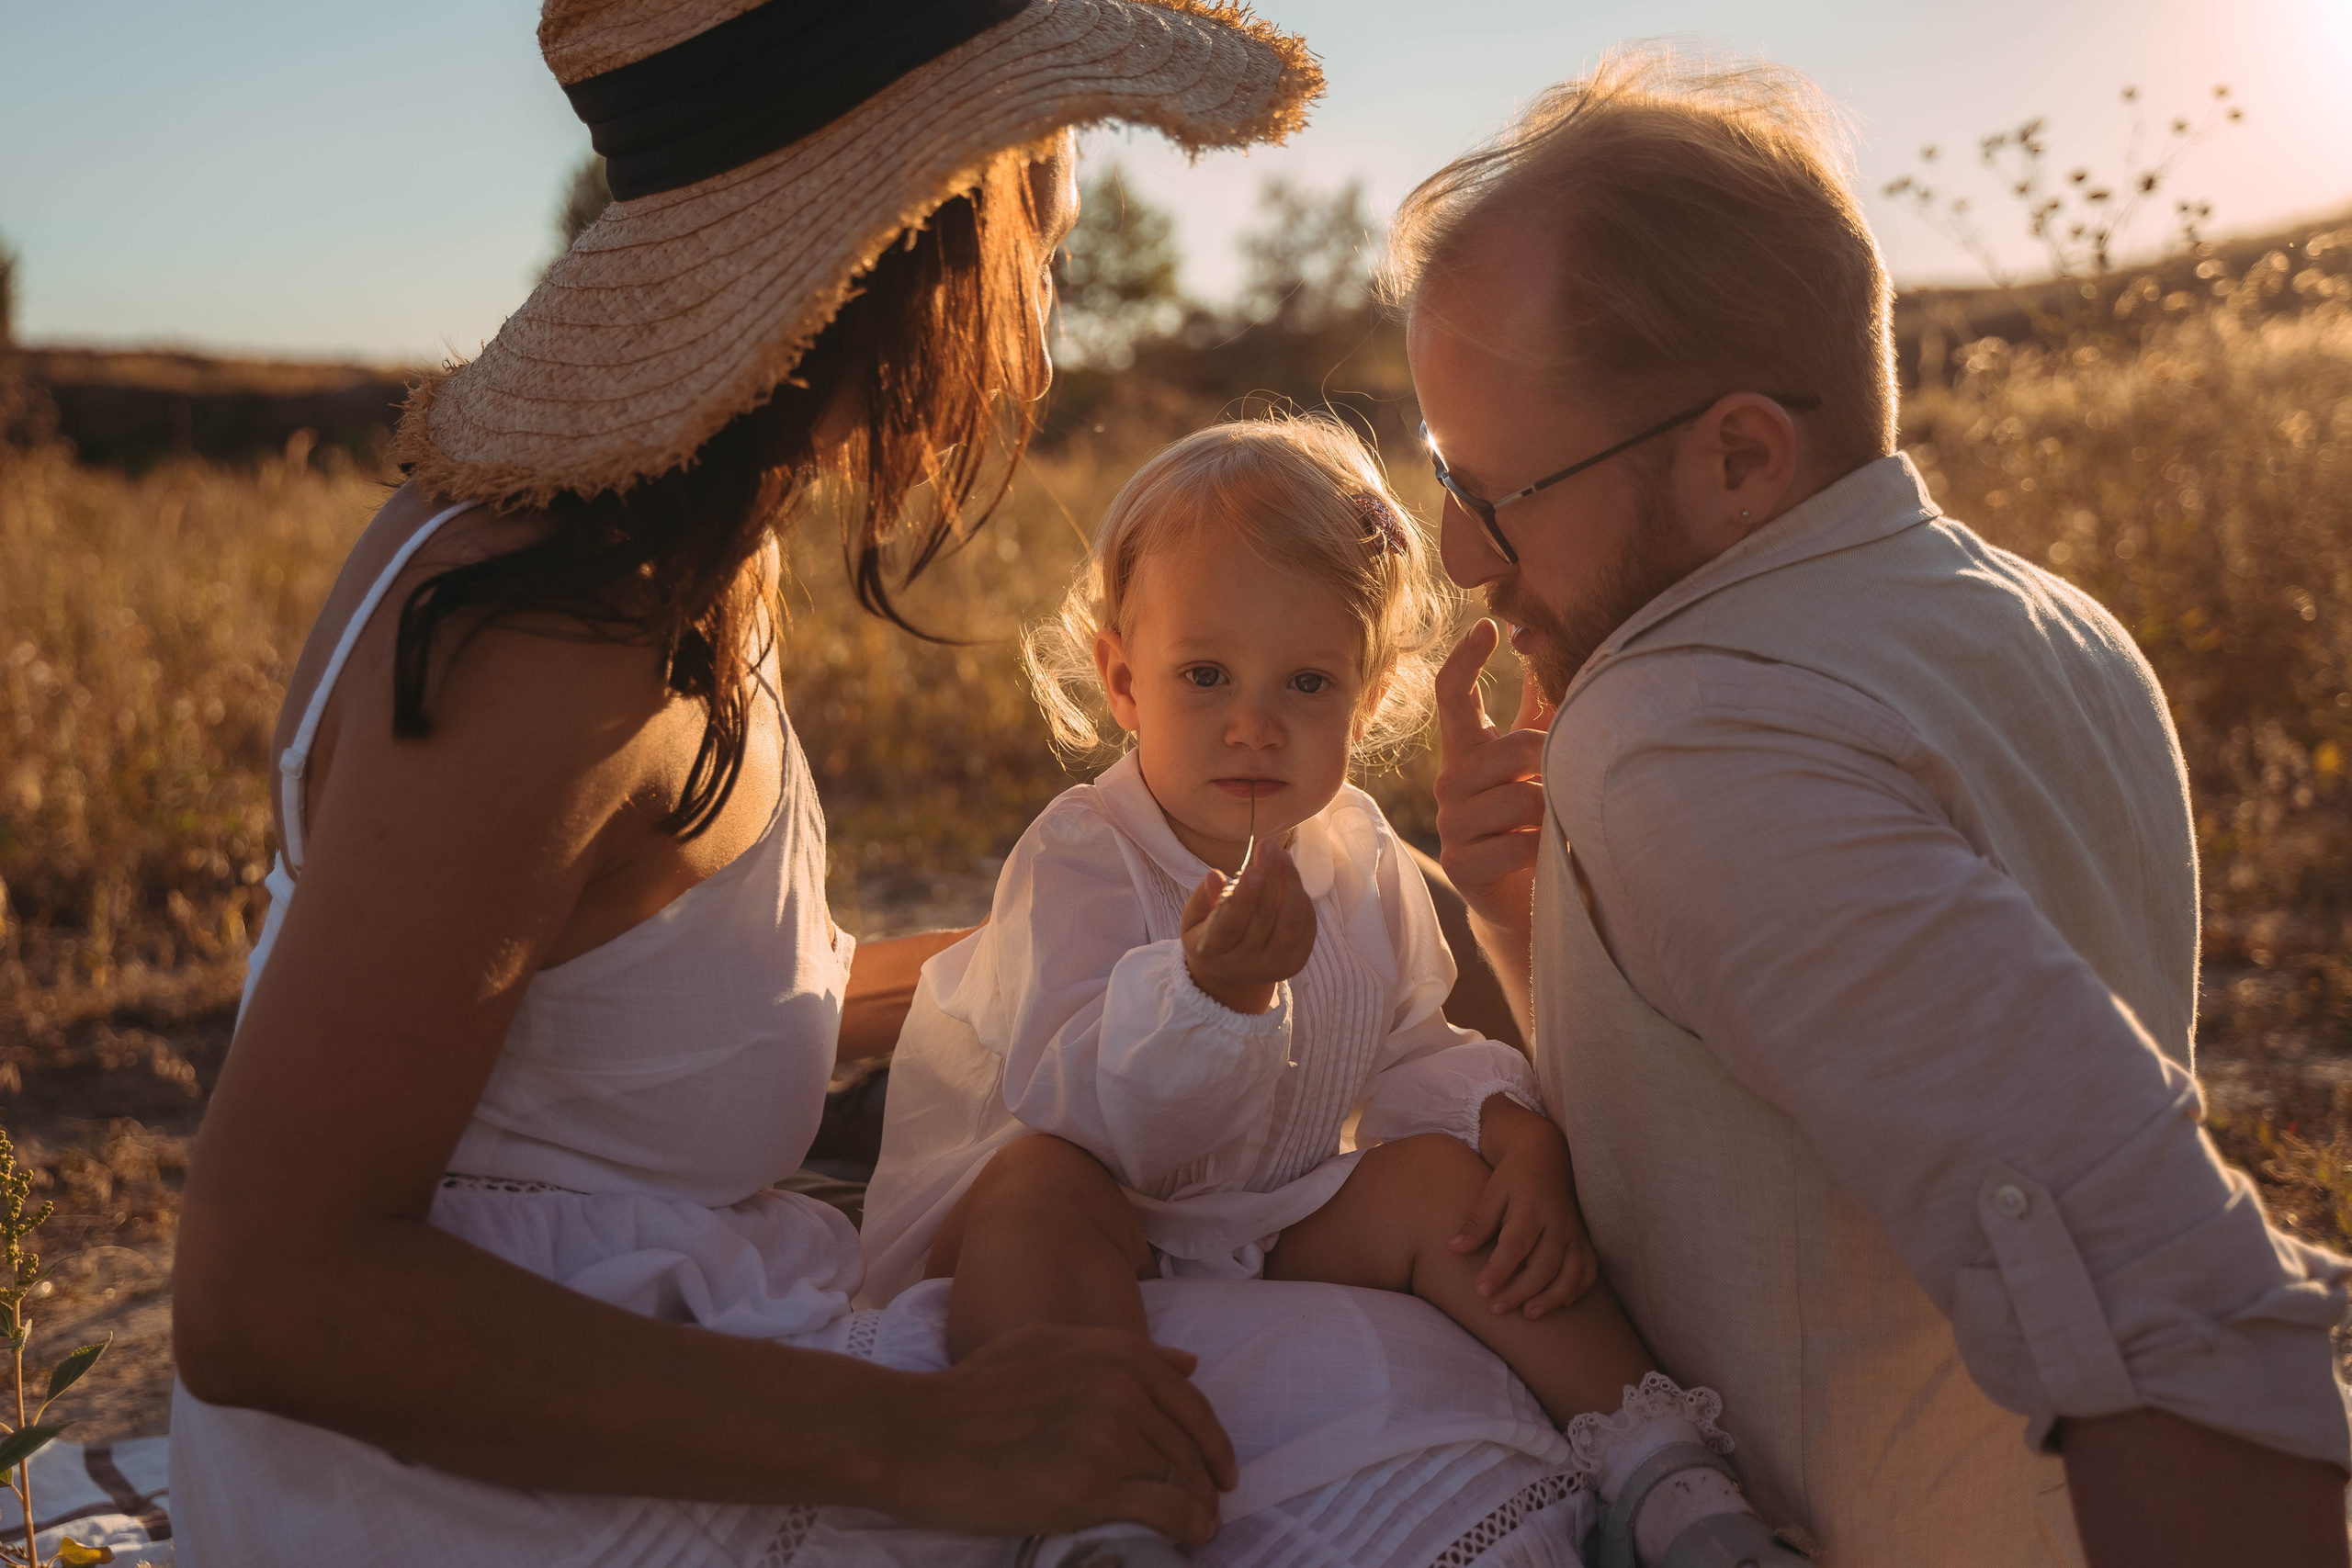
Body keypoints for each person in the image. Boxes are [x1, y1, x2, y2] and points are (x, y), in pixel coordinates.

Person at [1397, 49, 2352, 1568]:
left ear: (1738, 458)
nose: (1460, 557)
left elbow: (2169, 1305)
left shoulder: (1673, 735)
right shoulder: (2055, 621)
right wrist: (1533, 923)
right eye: (1442, 477)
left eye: (1497, 494)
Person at [862, 414, 1812, 1566]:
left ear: (1364, 709)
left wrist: (1514, 1137)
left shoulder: (1355, 854)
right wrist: (1212, 997)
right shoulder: (1079, 856)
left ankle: (1663, 1474)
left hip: (1260, 1215)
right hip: (1085, 1224)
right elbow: (1088, 1115)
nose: (1252, 723)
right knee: (1039, 1188)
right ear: (1121, 679)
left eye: (1306, 682)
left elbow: (1412, 1045)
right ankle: (1101, 1497)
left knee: (1438, 1187)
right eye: (1203, 675)